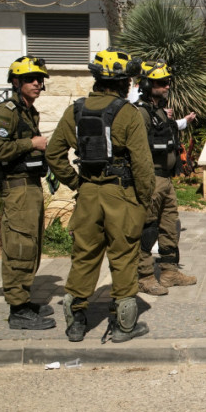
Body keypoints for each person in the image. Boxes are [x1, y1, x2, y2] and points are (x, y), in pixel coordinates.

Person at [45, 47, 155, 343]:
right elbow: (143, 165)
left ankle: (76, 323)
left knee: (84, 256)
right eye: (130, 80)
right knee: (123, 256)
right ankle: (123, 326)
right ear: (122, 83)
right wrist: (145, 203)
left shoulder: (75, 110)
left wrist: (77, 182)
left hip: (88, 195)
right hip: (121, 195)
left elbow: (54, 155)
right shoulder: (128, 113)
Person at [0, 56, 55, 330]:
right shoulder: (8, 111)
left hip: (30, 185)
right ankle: (17, 309)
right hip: (17, 188)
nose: (37, 83)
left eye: (39, 79)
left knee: (32, 245)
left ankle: (24, 300)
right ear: (16, 82)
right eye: (30, 79)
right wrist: (31, 143)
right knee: (20, 246)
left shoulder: (28, 111)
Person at [134, 60, 198, 296]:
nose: (167, 86)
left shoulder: (159, 110)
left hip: (166, 180)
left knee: (169, 227)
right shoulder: (139, 112)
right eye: (161, 82)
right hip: (150, 179)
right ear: (148, 84)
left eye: (167, 81)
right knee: (148, 229)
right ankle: (145, 276)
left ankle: (169, 272)